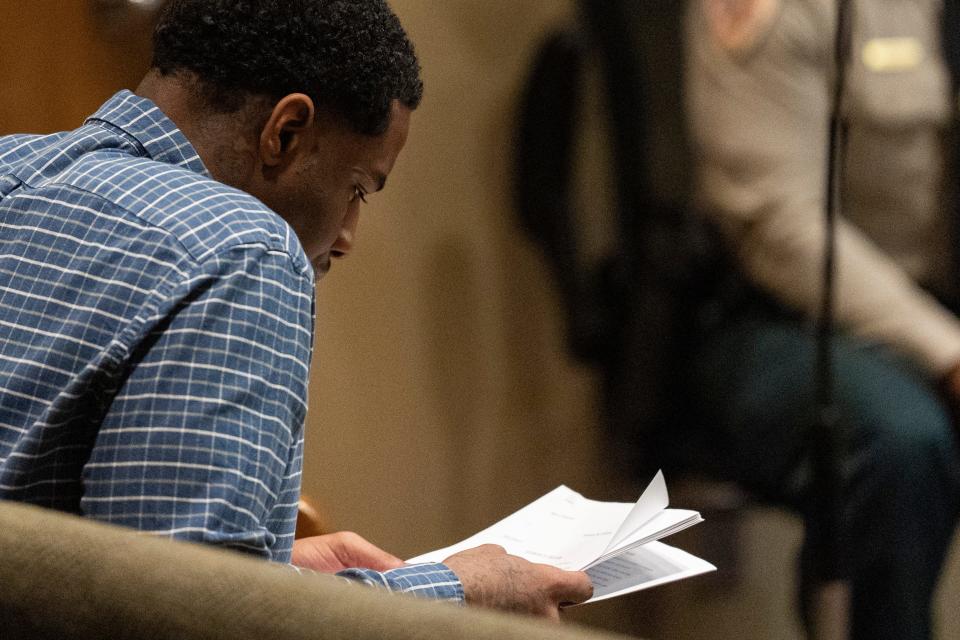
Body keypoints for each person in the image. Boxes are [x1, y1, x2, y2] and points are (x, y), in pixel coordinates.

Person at [0, 0, 592, 619]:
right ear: (284, 132)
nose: (345, 237)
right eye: (358, 188)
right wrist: (460, 591)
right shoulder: (242, 249)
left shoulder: (15, 165)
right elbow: (190, 618)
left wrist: (271, 572)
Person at [683, 0, 960, 638]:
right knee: (902, 442)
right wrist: (948, 355)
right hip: (780, 316)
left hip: (934, 304)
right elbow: (779, 226)